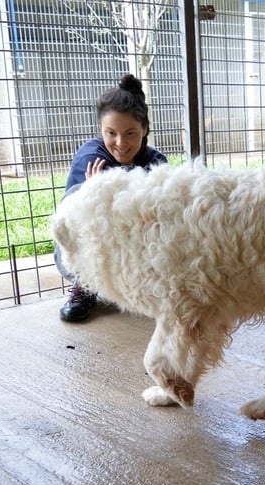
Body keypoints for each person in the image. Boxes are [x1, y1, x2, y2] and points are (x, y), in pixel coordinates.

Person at [55, 74, 168, 322]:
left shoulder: (156, 161)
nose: (120, 143)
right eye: (111, 133)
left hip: (137, 243)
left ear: (144, 130)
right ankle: (85, 285)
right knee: (80, 198)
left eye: (130, 133)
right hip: (101, 239)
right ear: (101, 130)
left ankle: (143, 285)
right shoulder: (91, 157)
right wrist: (93, 192)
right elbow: (73, 222)